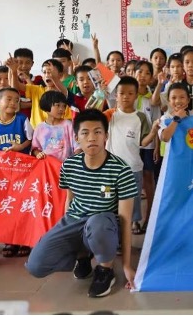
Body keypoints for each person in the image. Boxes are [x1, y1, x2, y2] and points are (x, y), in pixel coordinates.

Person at [26, 109, 138, 297]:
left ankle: (105, 269)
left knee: (98, 223)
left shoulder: (121, 170)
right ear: (77, 138)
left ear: (106, 136)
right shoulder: (69, 165)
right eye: (85, 133)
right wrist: (65, 232)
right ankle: (83, 257)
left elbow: (126, 220)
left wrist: (127, 265)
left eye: (97, 132)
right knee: (36, 265)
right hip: (76, 220)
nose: (92, 138)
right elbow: (69, 201)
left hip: (104, 225)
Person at [0, 87, 33, 257]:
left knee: (21, 205)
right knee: (6, 205)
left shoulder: (22, 119)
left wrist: (20, 147)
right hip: (1, 172)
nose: (13, 103)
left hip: (21, 170)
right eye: (9, 99)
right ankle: (10, 240)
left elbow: (31, 139)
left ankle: (24, 239)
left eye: (16, 100)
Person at [103, 77, 157, 235]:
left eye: (130, 93)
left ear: (136, 96)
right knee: (108, 196)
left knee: (133, 197)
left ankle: (134, 222)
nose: (125, 96)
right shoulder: (110, 114)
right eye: (121, 93)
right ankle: (112, 223)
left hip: (133, 167)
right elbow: (94, 118)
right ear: (116, 96)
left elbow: (143, 142)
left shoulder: (140, 117)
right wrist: (100, 96)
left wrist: (153, 132)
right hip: (109, 168)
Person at [134, 61, 162, 230]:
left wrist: (157, 147)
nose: (142, 76)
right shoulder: (128, 95)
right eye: (140, 72)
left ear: (151, 78)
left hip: (149, 146)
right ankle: (134, 219)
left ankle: (149, 217)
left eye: (147, 73)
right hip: (131, 146)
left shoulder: (153, 99)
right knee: (133, 182)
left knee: (148, 180)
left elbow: (157, 123)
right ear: (134, 74)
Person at [8, 58, 71, 129]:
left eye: (50, 72)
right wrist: (13, 72)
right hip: (36, 132)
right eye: (44, 72)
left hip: (57, 133)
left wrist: (54, 79)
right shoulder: (37, 90)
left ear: (60, 75)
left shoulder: (65, 95)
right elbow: (15, 87)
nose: (47, 75)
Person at [31, 91, 79, 163]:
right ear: (46, 105)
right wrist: (38, 154)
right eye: (58, 105)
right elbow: (35, 149)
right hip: (47, 166)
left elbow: (78, 147)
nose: (61, 109)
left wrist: (72, 162)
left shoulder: (69, 125)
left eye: (64, 106)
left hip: (65, 167)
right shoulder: (39, 128)